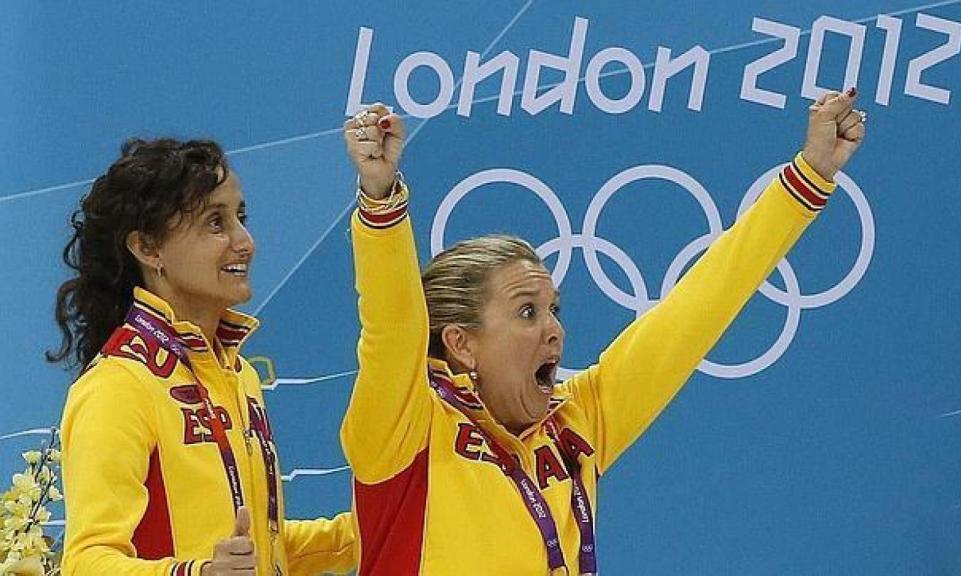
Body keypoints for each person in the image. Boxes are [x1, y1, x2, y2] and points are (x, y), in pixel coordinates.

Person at [340, 90, 866, 575]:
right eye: (527, 313)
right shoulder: (404, 434)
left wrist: (810, 175)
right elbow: (391, 328)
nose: (553, 331)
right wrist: (381, 198)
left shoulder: (577, 422)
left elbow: (699, 309)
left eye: (554, 310)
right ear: (461, 343)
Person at [50, 138, 356, 576]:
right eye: (216, 222)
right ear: (148, 248)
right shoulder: (118, 385)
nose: (245, 241)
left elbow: (264, 550)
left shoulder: (239, 374)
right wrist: (196, 573)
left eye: (241, 217)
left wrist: (373, 527)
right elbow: (85, 562)